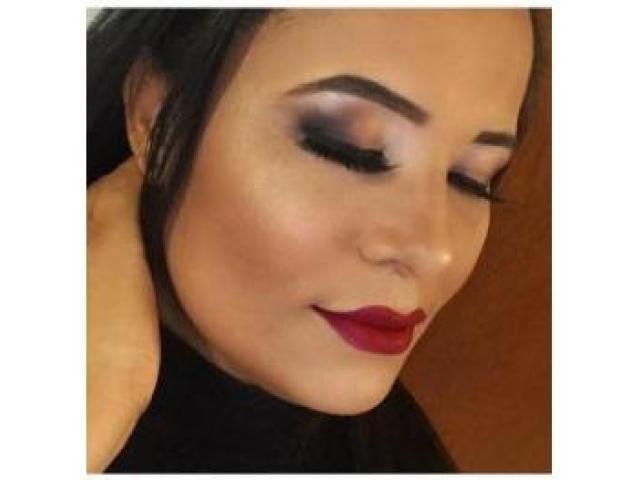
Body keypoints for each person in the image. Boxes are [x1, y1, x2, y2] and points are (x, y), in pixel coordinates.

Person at [87, 8, 538, 473]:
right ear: (158, 118)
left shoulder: (395, 448)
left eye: (471, 179)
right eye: (347, 148)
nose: (435, 250)